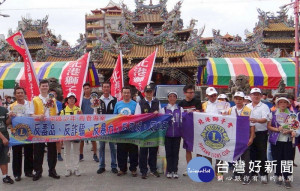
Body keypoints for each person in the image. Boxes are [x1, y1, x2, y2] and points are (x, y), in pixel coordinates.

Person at [32, 79, 60, 181]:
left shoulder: (52, 100)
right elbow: (31, 114)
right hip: (39, 128)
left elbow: (56, 113)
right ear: (40, 87)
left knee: (52, 150)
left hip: (51, 128)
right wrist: (38, 116)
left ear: (48, 87)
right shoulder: (35, 100)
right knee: (38, 151)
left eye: (46, 86)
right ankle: (38, 171)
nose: (44, 87)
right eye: (42, 86)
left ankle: (52, 170)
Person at [267, 97, 296, 189]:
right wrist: (277, 129)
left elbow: (296, 127)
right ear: (277, 104)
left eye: (285, 102)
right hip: (276, 140)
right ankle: (278, 176)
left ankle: (287, 178)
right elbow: (269, 126)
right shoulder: (273, 113)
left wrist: (291, 131)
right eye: (281, 102)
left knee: (288, 159)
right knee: (277, 158)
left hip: (288, 140)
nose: (283, 104)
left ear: (288, 104)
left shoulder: (292, 114)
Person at [227, 91, 255, 185]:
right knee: (236, 156)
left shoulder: (249, 110)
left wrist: (251, 138)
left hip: (244, 137)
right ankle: (237, 173)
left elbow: (252, 126)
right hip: (234, 136)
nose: (238, 101)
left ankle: (247, 176)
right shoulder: (230, 110)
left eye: (240, 99)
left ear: (243, 100)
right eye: (236, 98)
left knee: (246, 157)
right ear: (234, 99)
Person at [135, 85, 162, 179]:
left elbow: (161, 115)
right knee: (143, 152)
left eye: (150, 92)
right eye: (147, 92)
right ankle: (143, 170)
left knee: (153, 151)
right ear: (144, 93)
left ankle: (153, 169)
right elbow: (137, 117)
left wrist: (157, 114)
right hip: (144, 131)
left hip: (154, 131)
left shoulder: (157, 102)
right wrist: (145, 116)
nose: (149, 93)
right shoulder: (140, 103)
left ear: (153, 92)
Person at [8, 87, 34, 181]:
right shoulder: (11, 106)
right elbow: (8, 122)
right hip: (17, 133)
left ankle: (29, 171)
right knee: (17, 153)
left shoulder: (30, 104)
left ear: (24, 94)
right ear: (15, 95)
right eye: (18, 93)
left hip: (29, 132)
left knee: (29, 152)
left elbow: (32, 116)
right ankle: (17, 174)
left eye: (21, 92)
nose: (20, 94)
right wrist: (10, 116)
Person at [114, 86, 138, 177]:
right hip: (121, 132)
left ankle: (133, 169)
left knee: (133, 151)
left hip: (132, 132)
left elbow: (138, 116)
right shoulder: (118, 104)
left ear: (130, 94)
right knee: (121, 151)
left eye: (128, 93)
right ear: (122, 93)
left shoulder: (135, 104)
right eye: (125, 92)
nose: (126, 94)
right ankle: (122, 169)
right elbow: (114, 117)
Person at [247, 87, 270, 184]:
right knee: (251, 154)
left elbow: (265, 119)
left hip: (261, 133)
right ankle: (253, 173)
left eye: (258, 94)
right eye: (254, 94)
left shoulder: (264, 106)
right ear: (250, 96)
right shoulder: (247, 106)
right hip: (249, 133)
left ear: (261, 96)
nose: (256, 96)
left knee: (262, 154)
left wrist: (255, 120)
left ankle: (263, 174)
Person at [178, 84, 202, 176]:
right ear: (185, 93)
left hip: (197, 129)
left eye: (193, 92)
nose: (192, 94)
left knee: (199, 149)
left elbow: (200, 112)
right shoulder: (181, 104)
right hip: (187, 130)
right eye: (190, 92)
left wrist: (196, 111)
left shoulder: (197, 101)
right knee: (188, 150)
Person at [96, 82, 118, 174]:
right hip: (101, 127)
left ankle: (113, 165)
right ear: (102, 88)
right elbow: (95, 113)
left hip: (112, 127)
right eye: (104, 87)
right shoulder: (97, 100)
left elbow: (117, 113)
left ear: (110, 88)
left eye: (107, 87)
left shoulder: (115, 100)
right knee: (101, 147)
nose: (106, 88)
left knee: (112, 147)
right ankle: (101, 166)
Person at [162, 91, 183, 179]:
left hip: (177, 135)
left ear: (176, 98)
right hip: (167, 134)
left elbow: (182, 121)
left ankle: (175, 170)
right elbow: (161, 121)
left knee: (175, 153)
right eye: (170, 96)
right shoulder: (164, 109)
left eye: (174, 96)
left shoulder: (179, 108)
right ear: (168, 98)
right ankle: (169, 170)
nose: (172, 98)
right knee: (169, 153)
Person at [60, 92, 82, 177]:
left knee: (76, 152)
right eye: (70, 98)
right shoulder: (63, 111)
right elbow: (60, 122)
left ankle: (76, 168)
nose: (71, 100)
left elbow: (83, 121)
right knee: (66, 152)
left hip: (76, 133)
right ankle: (68, 169)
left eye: (73, 98)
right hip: (67, 134)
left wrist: (81, 115)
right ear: (67, 100)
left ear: (75, 100)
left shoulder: (78, 110)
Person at [79, 83, 99, 162]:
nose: (86, 90)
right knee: (82, 140)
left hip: (92, 121)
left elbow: (97, 109)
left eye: (88, 88)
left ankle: (95, 154)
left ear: (90, 89)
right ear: (83, 90)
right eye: (85, 88)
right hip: (83, 121)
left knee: (93, 139)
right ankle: (80, 154)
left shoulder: (94, 99)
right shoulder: (81, 99)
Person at [0, 104, 14, 184]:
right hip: (3, 138)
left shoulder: (4, 110)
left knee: (4, 157)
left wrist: (10, 117)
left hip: (5, 136)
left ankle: (5, 176)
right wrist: (3, 138)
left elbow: (6, 123)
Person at [50, 89, 64, 162]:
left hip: (57, 122)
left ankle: (59, 154)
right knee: (50, 140)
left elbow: (59, 113)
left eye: (53, 94)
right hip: (49, 123)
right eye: (51, 94)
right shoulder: (46, 102)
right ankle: (52, 154)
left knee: (58, 140)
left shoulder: (58, 103)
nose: (52, 95)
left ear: (56, 95)